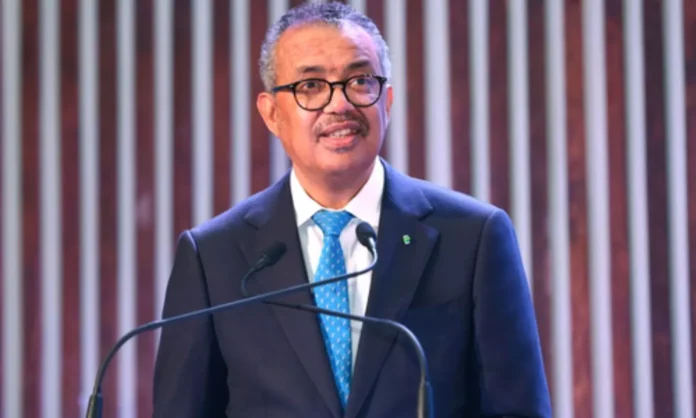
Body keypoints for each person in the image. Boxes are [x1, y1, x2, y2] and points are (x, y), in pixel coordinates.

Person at [152, 2, 551, 417]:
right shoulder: (213, 256)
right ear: (271, 113)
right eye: (310, 86)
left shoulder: (473, 237)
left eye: (359, 81)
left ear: (387, 101)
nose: (339, 105)